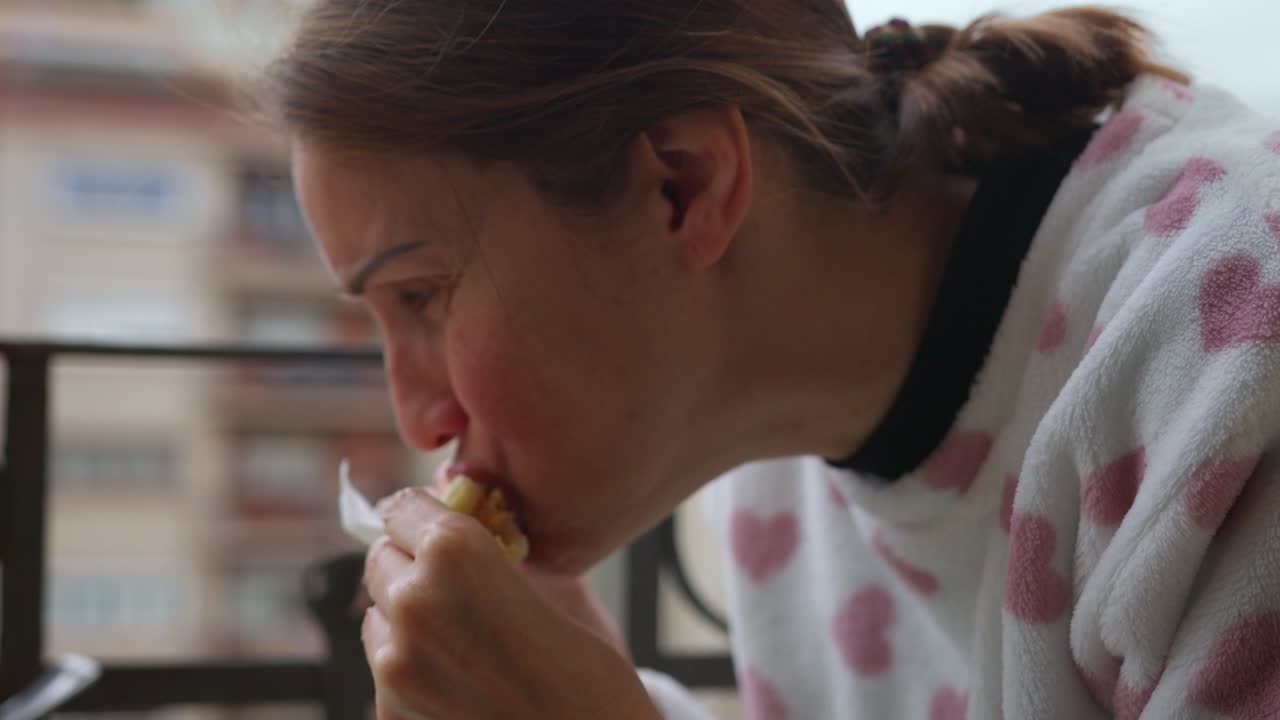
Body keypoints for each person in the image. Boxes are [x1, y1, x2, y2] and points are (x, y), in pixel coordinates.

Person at [265, 1, 1280, 717]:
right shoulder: (762, 448)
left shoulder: (1223, 347)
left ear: (683, 184)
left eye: (421, 296)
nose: (417, 419)